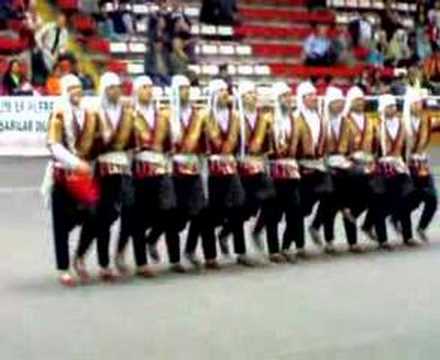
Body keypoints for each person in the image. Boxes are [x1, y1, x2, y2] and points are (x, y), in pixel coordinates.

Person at [76, 72, 136, 281]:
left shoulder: (127, 113)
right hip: (102, 168)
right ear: (104, 90)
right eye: (111, 87)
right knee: (102, 217)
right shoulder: (95, 114)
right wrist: (101, 139)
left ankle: (119, 253)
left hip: (124, 168)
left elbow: (133, 142)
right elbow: (86, 146)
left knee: (131, 210)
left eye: (118, 87)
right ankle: (97, 260)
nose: (116, 91)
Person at [44, 74, 100, 286]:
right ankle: (63, 268)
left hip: (83, 177)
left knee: (94, 215)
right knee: (60, 224)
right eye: (72, 88)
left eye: (79, 87)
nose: (77, 91)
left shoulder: (88, 114)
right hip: (62, 175)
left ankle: (80, 256)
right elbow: (53, 145)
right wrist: (74, 163)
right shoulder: (58, 114)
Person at [121, 75, 176, 277]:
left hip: (160, 168)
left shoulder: (161, 116)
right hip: (138, 170)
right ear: (136, 91)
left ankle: (150, 239)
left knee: (165, 211)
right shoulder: (130, 115)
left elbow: (169, 144)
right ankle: (141, 262)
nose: (148, 90)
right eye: (144, 87)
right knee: (138, 216)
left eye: (150, 87)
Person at [187, 79, 246, 269]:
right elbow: (193, 140)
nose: (224, 94)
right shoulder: (204, 116)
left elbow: (239, 144)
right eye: (220, 91)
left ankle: (241, 251)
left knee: (238, 207)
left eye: (225, 91)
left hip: (230, 165)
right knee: (209, 212)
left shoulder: (235, 116)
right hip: (210, 168)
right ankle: (209, 255)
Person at [261, 82, 302, 262]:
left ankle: (286, 245)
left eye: (289, 96)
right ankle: (273, 249)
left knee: (294, 210)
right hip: (274, 168)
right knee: (273, 212)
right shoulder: (268, 119)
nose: (288, 99)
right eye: (284, 96)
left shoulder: (295, 120)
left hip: (291, 169)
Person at [294, 81, 333, 256]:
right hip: (302, 166)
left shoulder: (320, 117)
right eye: (309, 95)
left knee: (330, 195)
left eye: (315, 94)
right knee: (303, 207)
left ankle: (316, 225)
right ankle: (298, 244)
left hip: (319, 165)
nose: (314, 98)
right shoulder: (296, 118)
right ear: (302, 99)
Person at [399, 87, 439, 241]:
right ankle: (407, 235)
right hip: (405, 165)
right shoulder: (403, 124)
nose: (420, 106)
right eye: (417, 103)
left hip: (422, 164)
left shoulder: (426, 120)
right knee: (408, 200)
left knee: (432, 199)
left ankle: (422, 227)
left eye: (421, 103)